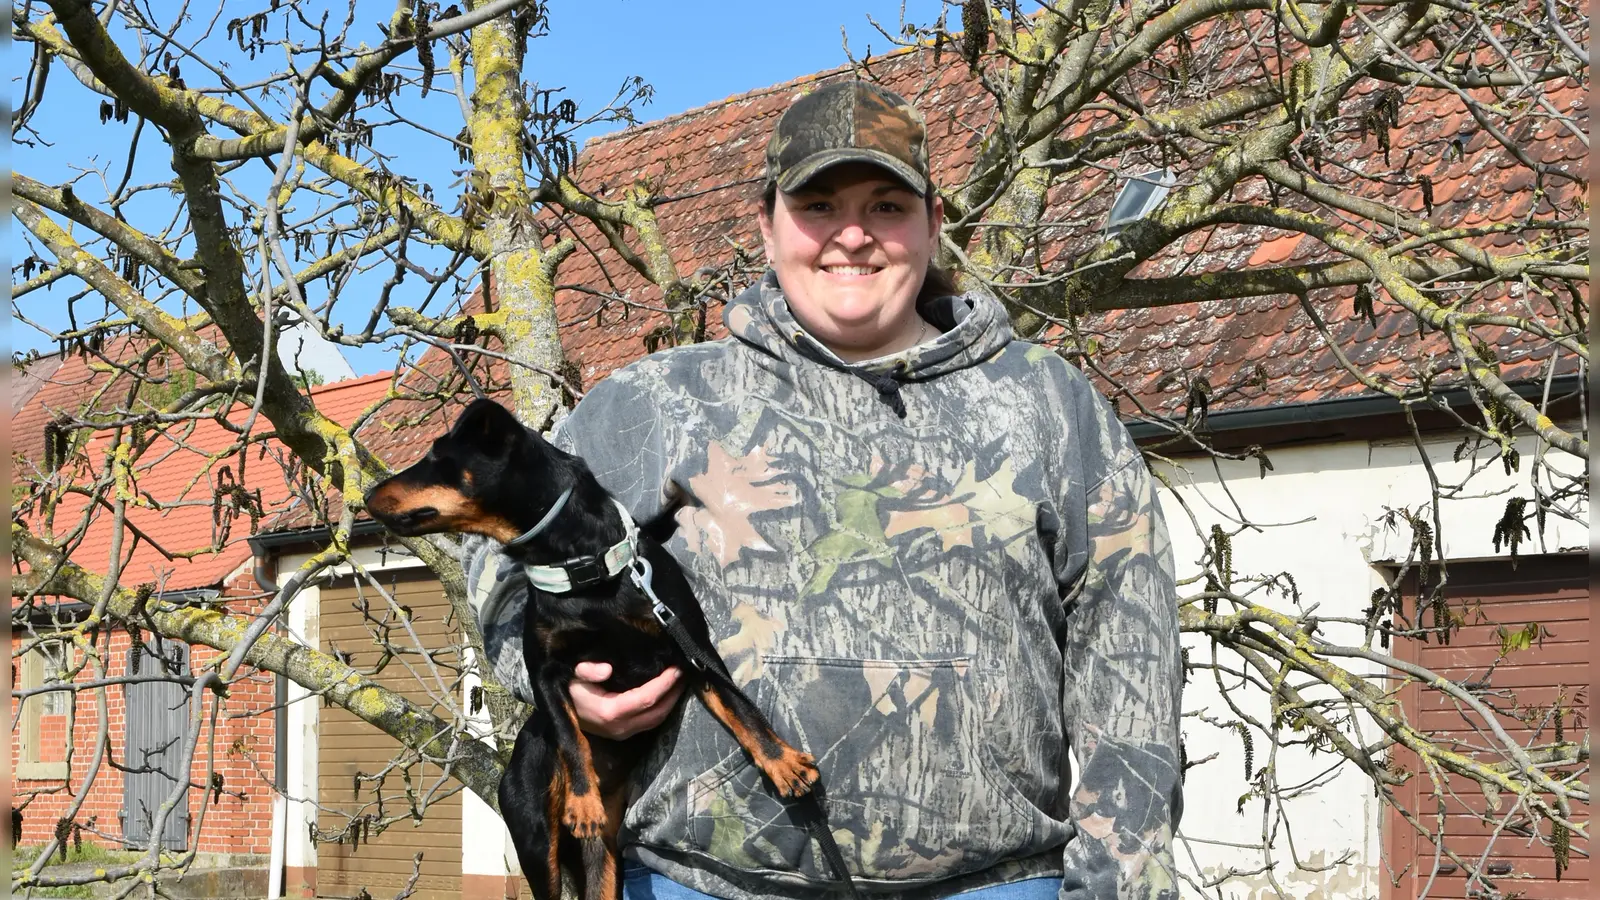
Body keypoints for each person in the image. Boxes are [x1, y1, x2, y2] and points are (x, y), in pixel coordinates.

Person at [464, 79, 1183, 900]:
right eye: (818, 205)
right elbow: (498, 555)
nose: (853, 235)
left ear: (933, 223)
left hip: (996, 885)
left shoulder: (1050, 407)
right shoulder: (654, 405)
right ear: (767, 226)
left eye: (886, 206)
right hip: (700, 887)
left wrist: (1114, 883)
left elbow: (1131, 665)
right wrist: (565, 688)